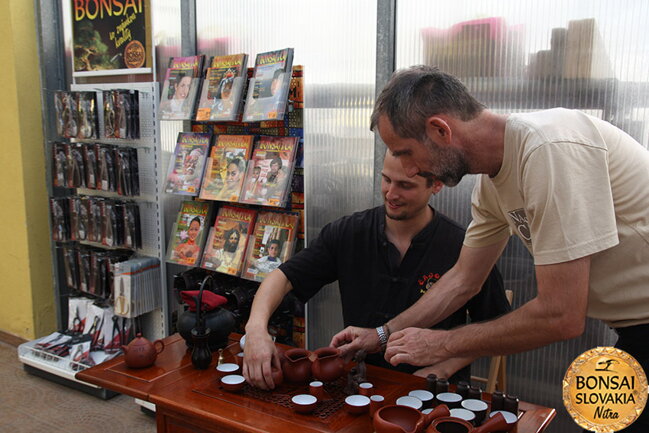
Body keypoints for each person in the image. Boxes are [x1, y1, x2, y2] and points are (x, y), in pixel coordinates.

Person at [331, 65, 649, 432]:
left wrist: (446, 344)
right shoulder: (491, 187)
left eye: (405, 153)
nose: (410, 170)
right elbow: (464, 279)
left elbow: (562, 315)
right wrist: (382, 335)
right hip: (633, 327)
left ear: (440, 130)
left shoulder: (548, 149)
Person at [243, 152, 510, 390]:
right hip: (361, 382)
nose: (391, 194)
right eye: (386, 180)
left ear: (436, 184)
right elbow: (283, 277)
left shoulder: (463, 248)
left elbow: (494, 327)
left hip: (435, 387)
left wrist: (445, 367)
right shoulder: (349, 232)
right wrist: (256, 330)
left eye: (405, 185)